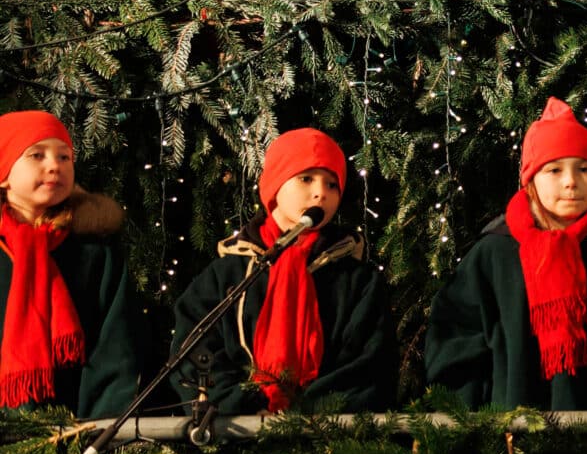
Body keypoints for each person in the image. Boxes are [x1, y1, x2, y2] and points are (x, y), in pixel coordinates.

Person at [424, 98, 587, 409]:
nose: (571, 182)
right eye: (554, 169)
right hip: (510, 447)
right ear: (531, 179)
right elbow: (455, 347)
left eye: (584, 169)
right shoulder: (494, 256)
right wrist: (480, 418)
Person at [171, 128, 395, 415]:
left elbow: (370, 363)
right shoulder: (227, 275)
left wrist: (306, 416)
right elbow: (194, 350)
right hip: (236, 439)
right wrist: (241, 406)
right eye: (306, 178)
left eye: (332, 185)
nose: (320, 193)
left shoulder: (357, 280)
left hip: (328, 444)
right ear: (276, 184)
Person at [0, 111, 145, 417]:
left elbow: (115, 349)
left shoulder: (94, 252)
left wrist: (100, 434)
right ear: (3, 172)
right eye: (36, 155)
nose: (54, 165)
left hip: (75, 435)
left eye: (64, 157)